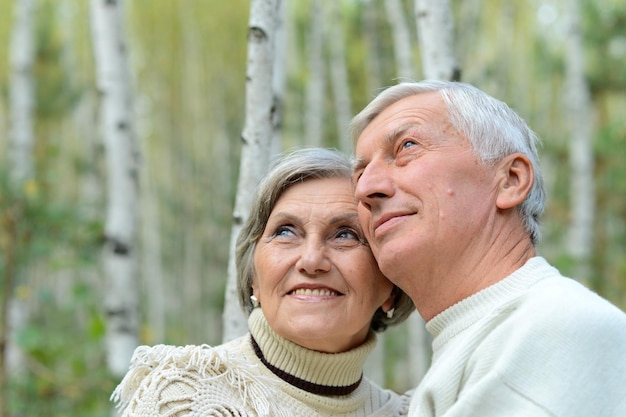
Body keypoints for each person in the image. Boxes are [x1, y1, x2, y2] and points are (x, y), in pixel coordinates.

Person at [350, 80, 626, 417]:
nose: (366, 187)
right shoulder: (488, 340)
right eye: (360, 172)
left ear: (510, 180)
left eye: (407, 147)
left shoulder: (554, 332)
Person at [111, 147, 415, 416]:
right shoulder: (188, 397)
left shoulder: (416, 412)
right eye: (285, 231)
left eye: (345, 234)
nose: (311, 260)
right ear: (253, 277)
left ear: (389, 285)